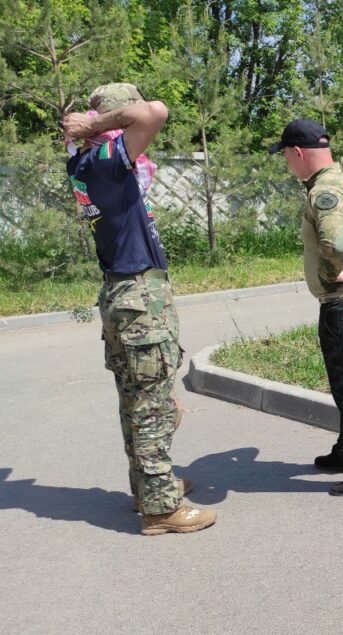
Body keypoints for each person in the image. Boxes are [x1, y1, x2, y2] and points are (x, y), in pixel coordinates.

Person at [63, 83, 215, 535]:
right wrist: (99, 124)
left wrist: (93, 128)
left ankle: (149, 487)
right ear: (112, 122)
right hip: (137, 296)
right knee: (153, 404)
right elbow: (155, 111)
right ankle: (162, 508)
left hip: (119, 294)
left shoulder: (85, 161)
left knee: (134, 399)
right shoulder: (106, 160)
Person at [269, 118, 343, 496]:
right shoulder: (342, 181)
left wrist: (336, 272)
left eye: (287, 155)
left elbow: (335, 244)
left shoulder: (325, 190)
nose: (288, 163)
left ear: (298, 152)